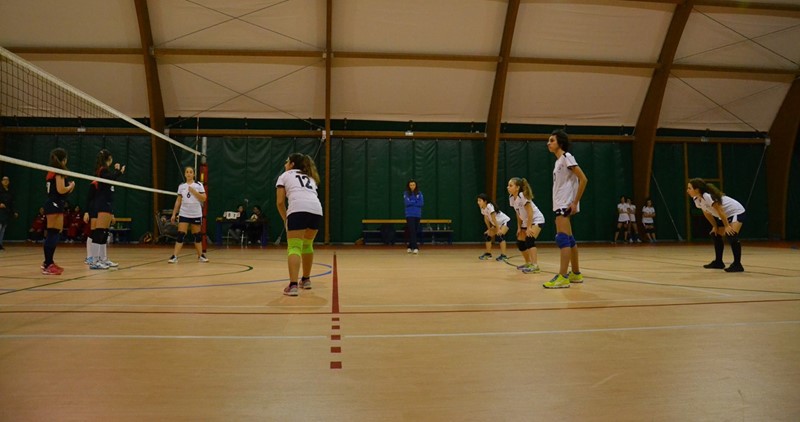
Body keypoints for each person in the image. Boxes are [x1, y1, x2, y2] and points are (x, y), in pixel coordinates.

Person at [544, 129, 588, 288]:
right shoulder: (558, 162)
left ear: (560, 143)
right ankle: (575, 273)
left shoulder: (567, 157)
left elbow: (583, 179)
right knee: (569, 239)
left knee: (562, 239)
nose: (548, 143)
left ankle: (563, 277)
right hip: (560, 203)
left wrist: (575, 202)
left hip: (565, 204)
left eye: (552, 140)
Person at [276, 153, 323, 296]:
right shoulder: (310, 177)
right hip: (316, 210)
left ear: (292, 164)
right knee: (307, 245)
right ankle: (306, 280)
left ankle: (293, 285)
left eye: (287, 162)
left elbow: (280, 202)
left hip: (298, 209)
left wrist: (286, 219)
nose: (285, 164)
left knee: (294, 247)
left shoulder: (284, 176)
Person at [687, 178, 746, 272]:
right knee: (715, 234)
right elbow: (707, 213)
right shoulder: (697, 199)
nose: (687, 190)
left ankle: (737, 264)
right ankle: (718, 262)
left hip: (735, 211)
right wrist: (715, 226)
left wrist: (727, 226)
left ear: (697, 189)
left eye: (689, 188)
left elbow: (720, 210)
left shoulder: (707, 196)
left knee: (731, 234)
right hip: (724, 215)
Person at [88, 150, 124, 270]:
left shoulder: (104, 170)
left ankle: (103, 259)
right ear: (109, 158)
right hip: (102, 203)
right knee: (99, 232)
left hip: (107, 203)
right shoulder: (102, 170)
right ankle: (94, 261)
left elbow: (111, 179)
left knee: (104, 232)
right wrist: (118, 171)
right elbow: (111, 177)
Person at [42, 148, 75, 275]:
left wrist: (69, 188)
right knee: (53, 233)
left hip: (54, 202)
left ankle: (48, 262)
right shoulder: (59, 171)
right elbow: (61, 189)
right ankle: (48, 264)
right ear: (64, 159)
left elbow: (61, 191)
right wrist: (70, 186)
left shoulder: (52, 171)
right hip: (54, 204)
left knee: (54, 232)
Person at [168, 166, 208, 263]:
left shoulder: (198, 185)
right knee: (181, 234)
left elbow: (204, 198)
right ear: (185, 174)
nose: (189, 174)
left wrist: (194, 192)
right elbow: (178, 201)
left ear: (194, 174)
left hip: (196, 214)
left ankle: (200, 256)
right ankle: (175, 256)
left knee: (197, 235)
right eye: (187, 172)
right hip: (184, 213)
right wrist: (174, 214)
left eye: (191, 172)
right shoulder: (181, 186)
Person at [507, 178, 546, 273]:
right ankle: (528, 263)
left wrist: (528, 227)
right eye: (508, 185)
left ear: (517, 187)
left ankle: (535, 266)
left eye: (511, 185)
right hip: (526, 221)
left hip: (536, 219)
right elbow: (518, 213)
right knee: (520, 242)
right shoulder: (511, 198)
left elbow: (530, 212)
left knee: (529, 240)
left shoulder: (522, 196)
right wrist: (519, 227)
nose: (508, 187)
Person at [476, 193, 510, 261]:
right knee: (487, 235)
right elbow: (486, 219)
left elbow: (494, 218)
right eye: (478, 200)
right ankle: (488, 254)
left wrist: (498, 229)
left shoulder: (489, 206)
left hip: (505, 221)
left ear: (485, 201)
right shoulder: (482, 208)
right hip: (497, 224)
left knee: (500, 236)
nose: (478, 202)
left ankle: (504, 256)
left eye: (480, 200)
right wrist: (489, 229)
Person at [403, 179, 424, 254]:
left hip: (417, 214)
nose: (412, 186)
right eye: (411, 185)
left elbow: (421, 203)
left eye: (413, 185)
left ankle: (409, 246)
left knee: (415, 231)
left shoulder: (419, 193)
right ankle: (415, 247)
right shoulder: (406, 193)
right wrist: (415, 201)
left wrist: (412, 202)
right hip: (409, 214)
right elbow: (406, 203)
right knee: (412, 230)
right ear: (408, 186)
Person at [0, 175, 19, 251]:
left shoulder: (10, 192)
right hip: (0, 211)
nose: (5, 181)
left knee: (3, 228)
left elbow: (12, 203)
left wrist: (14, 212)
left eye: (7, 180)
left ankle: (0, 244)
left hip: (6, 212)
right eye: (4, 180)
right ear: (1, 181)